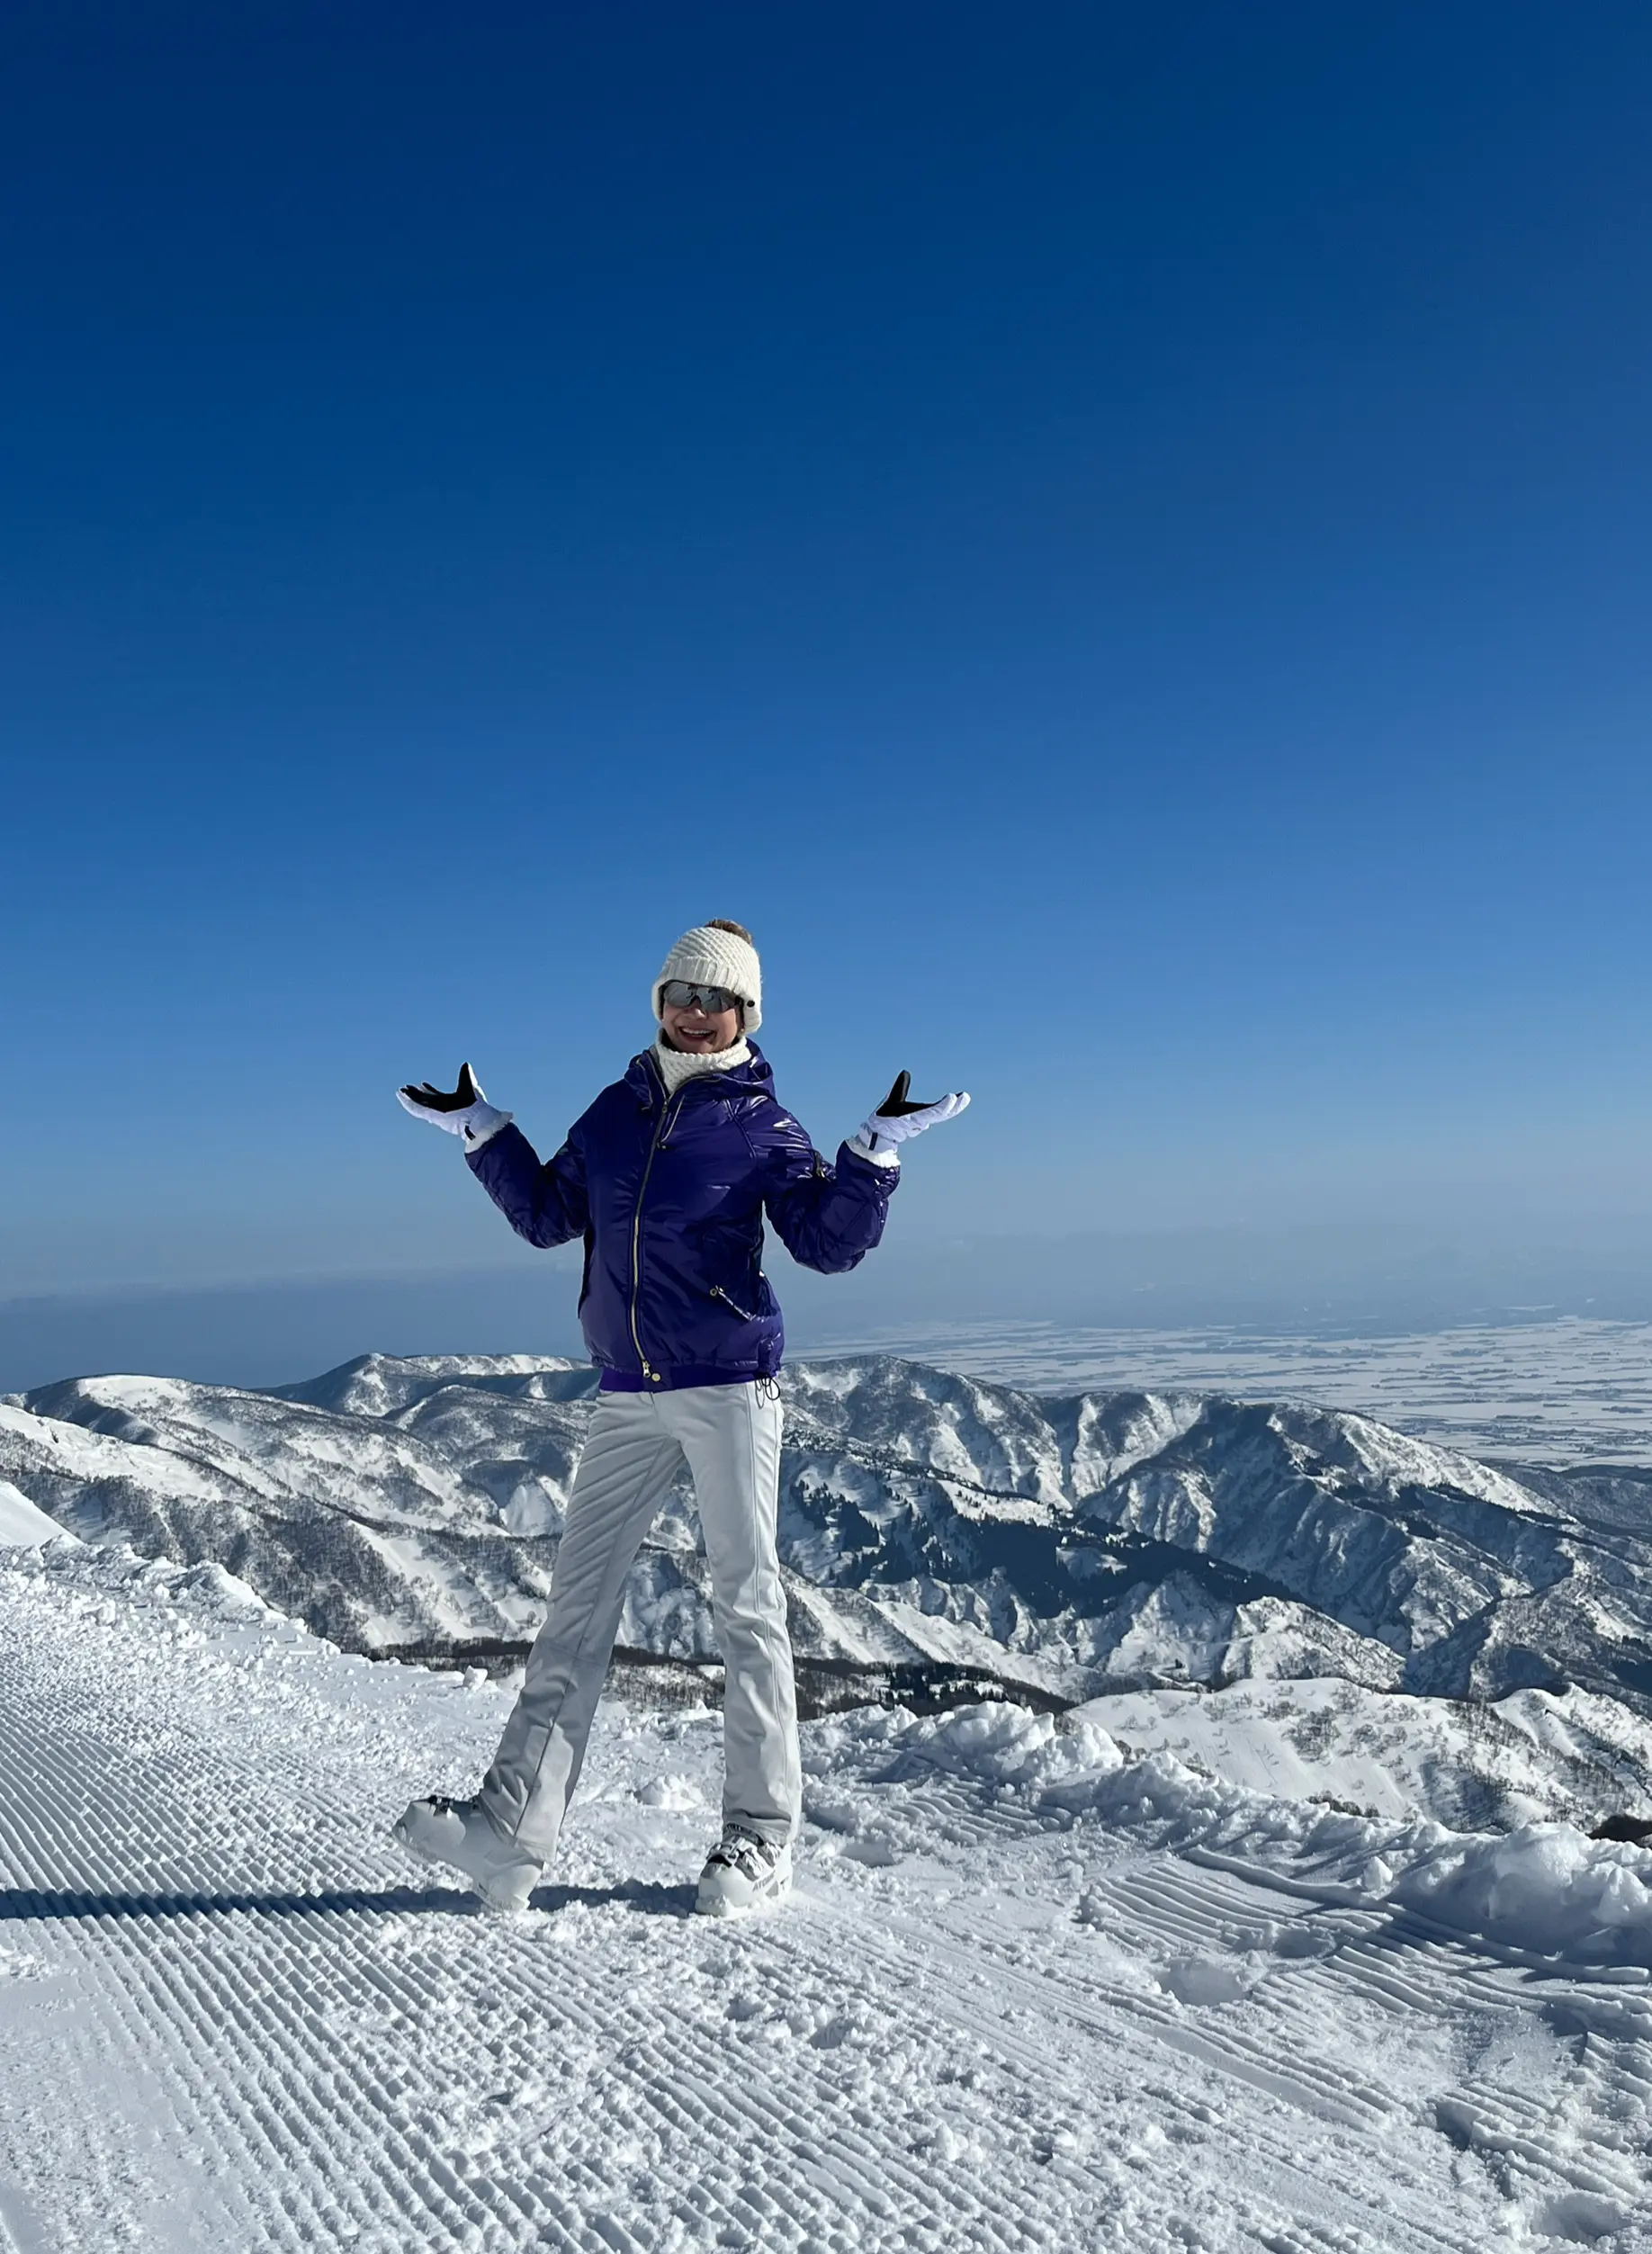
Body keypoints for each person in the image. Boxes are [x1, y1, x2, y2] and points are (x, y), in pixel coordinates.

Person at [391, 920, 968, 1917]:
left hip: (728, 1388)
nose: (695, 1015)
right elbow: (548, 1215)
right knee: (575, 1615)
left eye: (716, 1000)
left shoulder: (764, 1128)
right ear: (659, 1003)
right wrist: (481, 1127)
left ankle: (759, 1841)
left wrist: (873, 1155)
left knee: (747, 1611)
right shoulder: (615, 1111)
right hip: (625, 1393)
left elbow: (826, 1247)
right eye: (680, 996)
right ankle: (506, 1836)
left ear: (747, 1016)